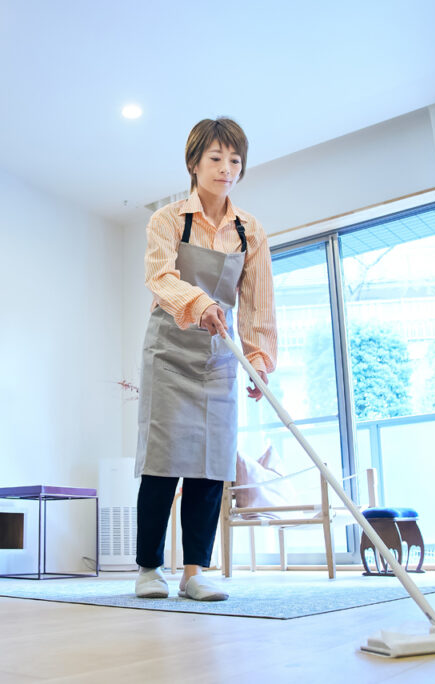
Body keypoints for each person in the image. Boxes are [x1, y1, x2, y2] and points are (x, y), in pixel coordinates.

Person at [134, 117, 277, 601]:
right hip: (170, 351)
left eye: (234, 160)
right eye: (215, 158)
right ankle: (149, 568)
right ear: (194, 163)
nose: (226, 168)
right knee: (163, 461)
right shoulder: (167, 220)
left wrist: (258, 357)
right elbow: (159, 278)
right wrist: (200, 304)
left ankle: (194, 572)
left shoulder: (251, 231)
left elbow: (258, 303)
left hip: (219, 356)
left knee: (211, 464)